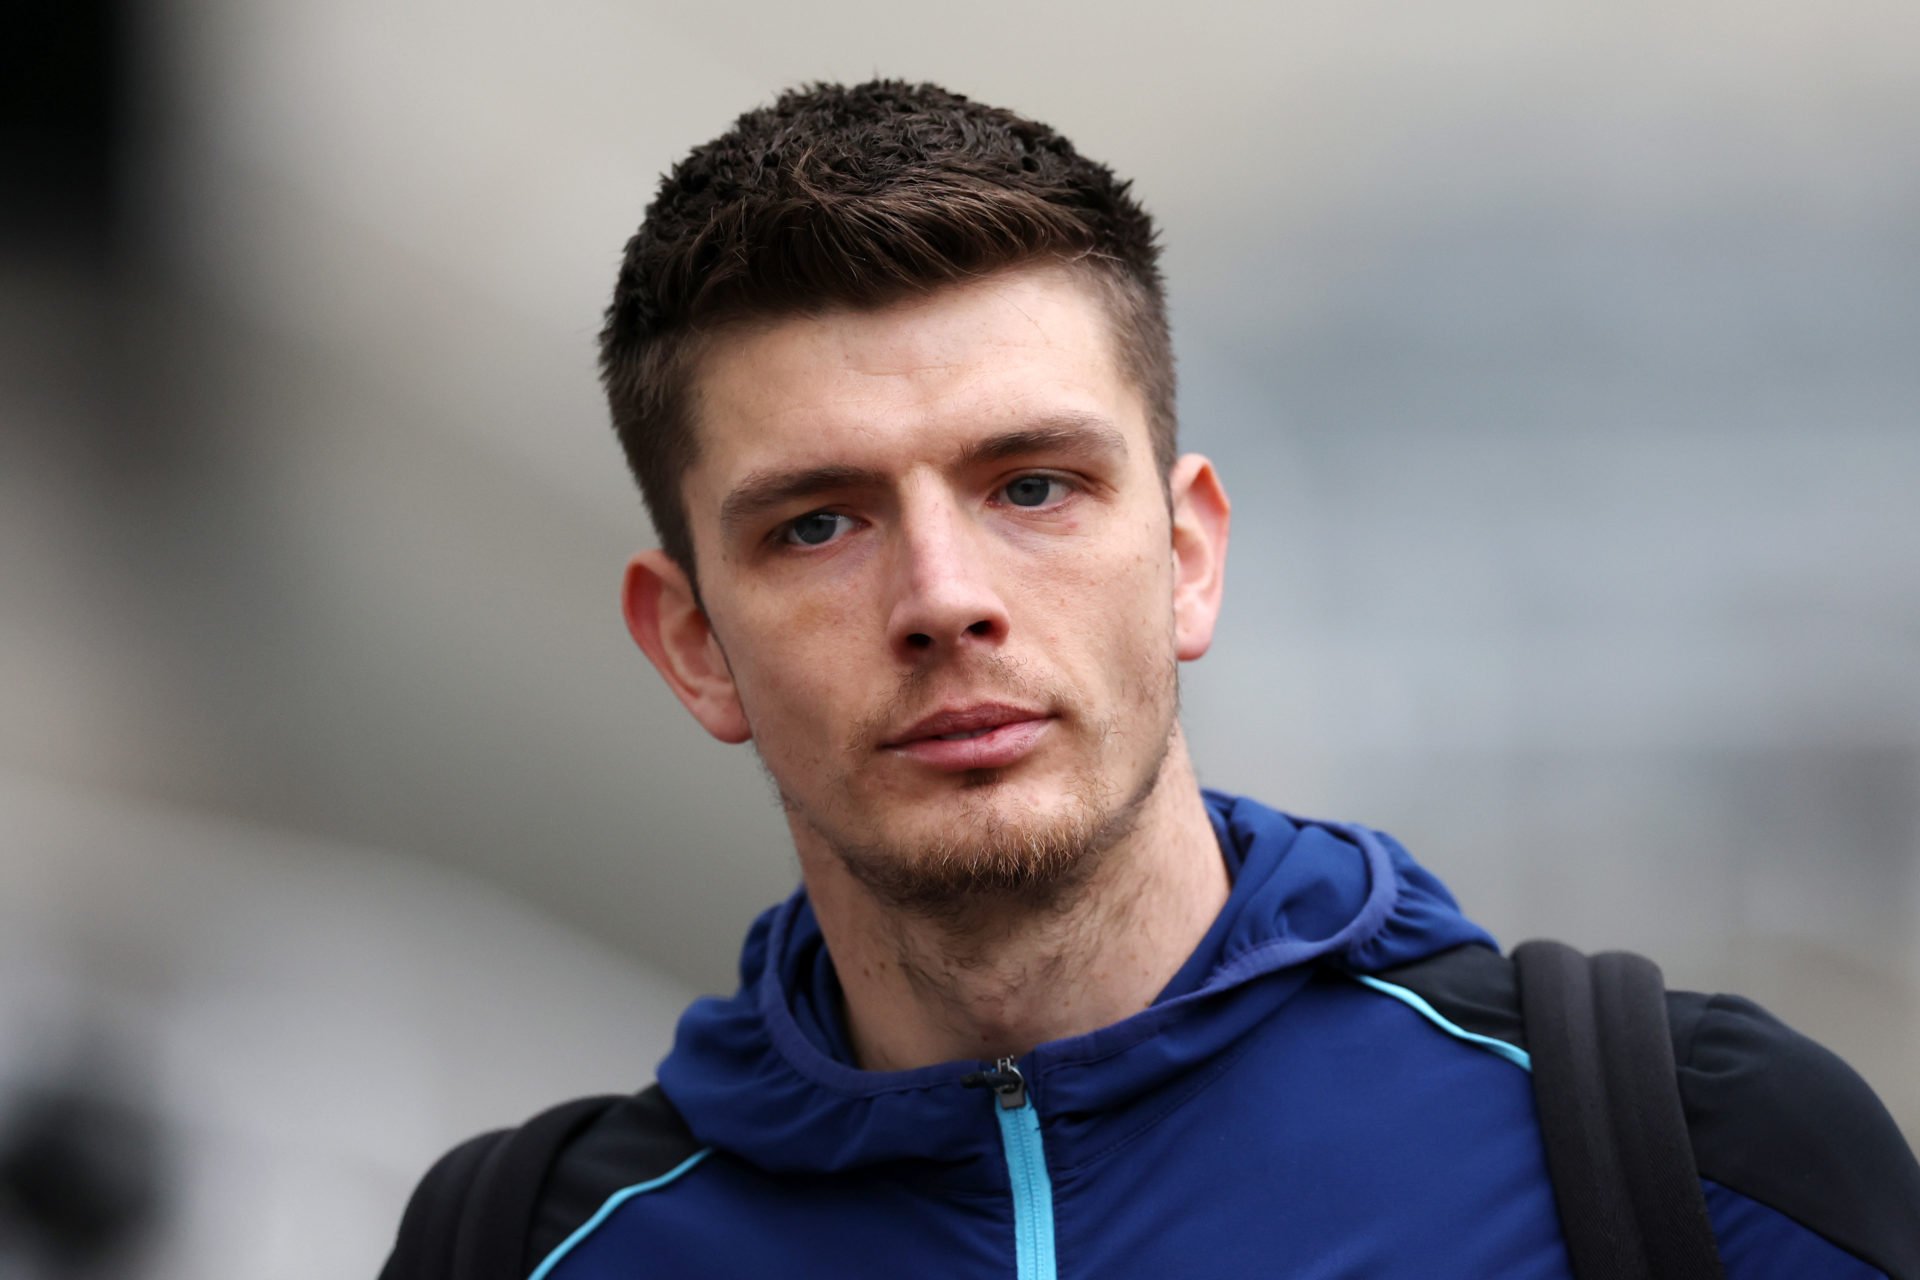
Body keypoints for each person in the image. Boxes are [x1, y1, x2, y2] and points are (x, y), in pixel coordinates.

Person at [382, 80, 1920, 1279]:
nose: (945, 599)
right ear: (692, 644)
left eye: (1033, 486)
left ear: (1187, 555)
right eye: (821, 523)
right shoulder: (530, 1258)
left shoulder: (1687, 1157)